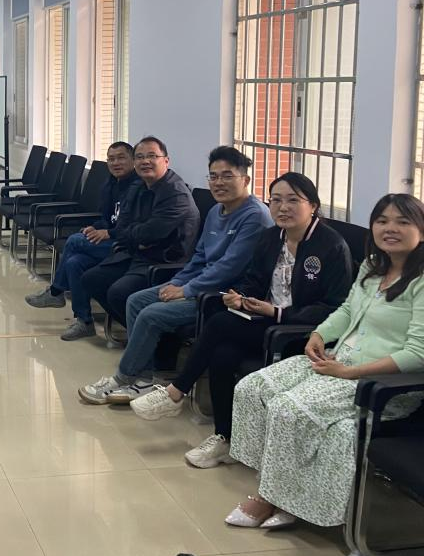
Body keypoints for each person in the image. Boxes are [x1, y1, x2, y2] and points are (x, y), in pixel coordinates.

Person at [225, 193, 424, 530]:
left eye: (402, 222)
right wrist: (319, 334)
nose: (390, 228)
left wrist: (351, 372)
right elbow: (347, 310)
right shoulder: (373, 266)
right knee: (253, 388)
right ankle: (279, 484)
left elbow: (418, 354)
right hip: (341, 359)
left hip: (380, 382)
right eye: (382, 221)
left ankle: (270, 496)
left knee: (288, 408)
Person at [129, 173, 354, 470]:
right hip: (264, 322)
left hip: (300, 333)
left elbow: (334, 308)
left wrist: (276, 313)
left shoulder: (331, 246)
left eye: (293, 200)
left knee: (219, 325)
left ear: (312, 205)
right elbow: (254, 280)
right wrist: (241, 297)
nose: (283, 207)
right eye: (276, 200)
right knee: (222, 355)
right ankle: (225, 438)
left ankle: (176, 391)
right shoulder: (271, 238)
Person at [79, 146, 272, 405]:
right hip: (199, 283)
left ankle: (124, 377)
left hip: (225, 295)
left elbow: (230, 267)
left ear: (245, 180)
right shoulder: (216, 211)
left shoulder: (255, 216)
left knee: (151, 314)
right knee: (136, 300)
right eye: (214, 176)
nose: (218, 183)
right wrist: (178, 281)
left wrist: (186, 290)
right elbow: (200, 257)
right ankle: (145, 377)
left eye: (227, 176)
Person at [73, 136, 200, 338]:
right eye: (140, 157)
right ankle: (142, 333)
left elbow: (151, 233)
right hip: (136, 253)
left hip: (164, 261)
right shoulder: (139, 186)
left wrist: (137, 236)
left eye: (152, 156)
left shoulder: (176, 194)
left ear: (166, 160)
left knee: (118, 292)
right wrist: (137, 238)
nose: (145, 161)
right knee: (91, 279)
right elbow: (123, 225)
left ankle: (155, 339)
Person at [25, 142, 140, 341]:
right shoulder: (111, 185)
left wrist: (109, 233)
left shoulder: (139, 187)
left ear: (133, 160)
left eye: (121, 158)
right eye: (111, 159)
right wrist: (95, 227)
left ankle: (56, 291)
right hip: (110, 241)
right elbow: (106, 218)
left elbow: (135, 227)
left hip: (125, 246)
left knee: (75, 241)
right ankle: (84, 321)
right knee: (74, 263)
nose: (115, 163)